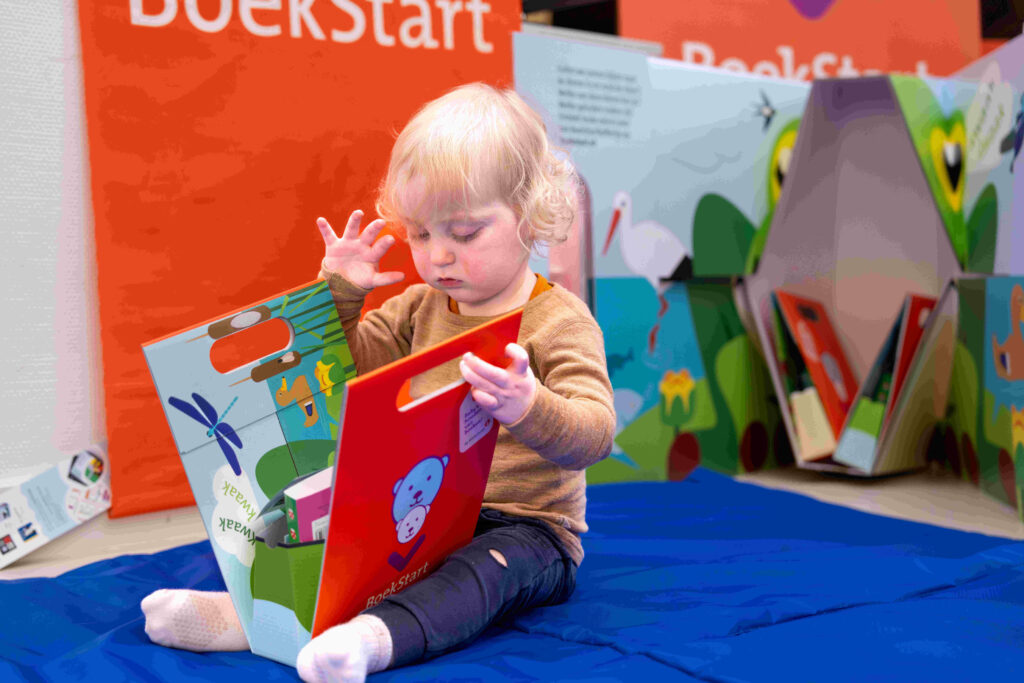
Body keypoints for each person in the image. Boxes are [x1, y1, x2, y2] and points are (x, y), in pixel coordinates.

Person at [141, 83, 615, 683]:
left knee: (480, 574)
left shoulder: (560, 320)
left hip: (527, 527)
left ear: (530, 215)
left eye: (464, 234)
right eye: (420, 234)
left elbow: (595, 434)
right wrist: (339, 293)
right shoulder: (421, 306)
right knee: (340, 534)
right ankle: (251, 619)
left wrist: (530, 406)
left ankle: (372, 640)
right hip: (425, 503)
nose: (438, 256)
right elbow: (351, 372)